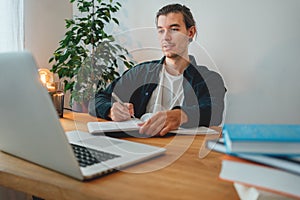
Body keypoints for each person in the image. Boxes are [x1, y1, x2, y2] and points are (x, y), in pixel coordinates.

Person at [89, 4, 226, 136]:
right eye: (161, 30)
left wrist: (180, 116)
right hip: (140, 145)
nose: (166, 37)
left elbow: (214, 112)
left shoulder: (209, 79)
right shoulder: (141, 72)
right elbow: (96, 100)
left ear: (190, 33)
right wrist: (110, 110)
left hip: (185, 153)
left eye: (174, 29)